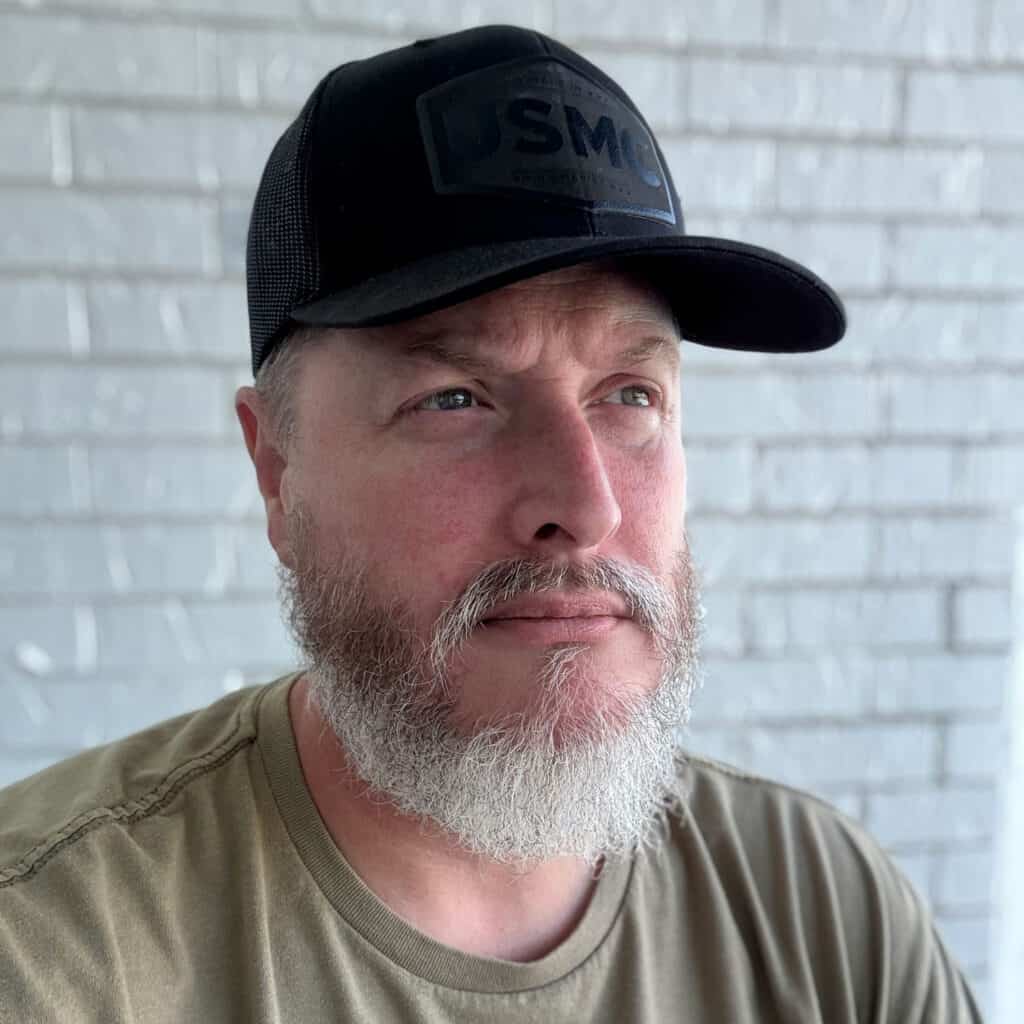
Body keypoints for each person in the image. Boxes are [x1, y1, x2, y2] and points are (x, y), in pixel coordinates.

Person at [0, 24, 981, 1023]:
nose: (585, 506)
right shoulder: (52, 954)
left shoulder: (831, 919)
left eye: (630, 394)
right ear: (276, 467)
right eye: (456, 398)